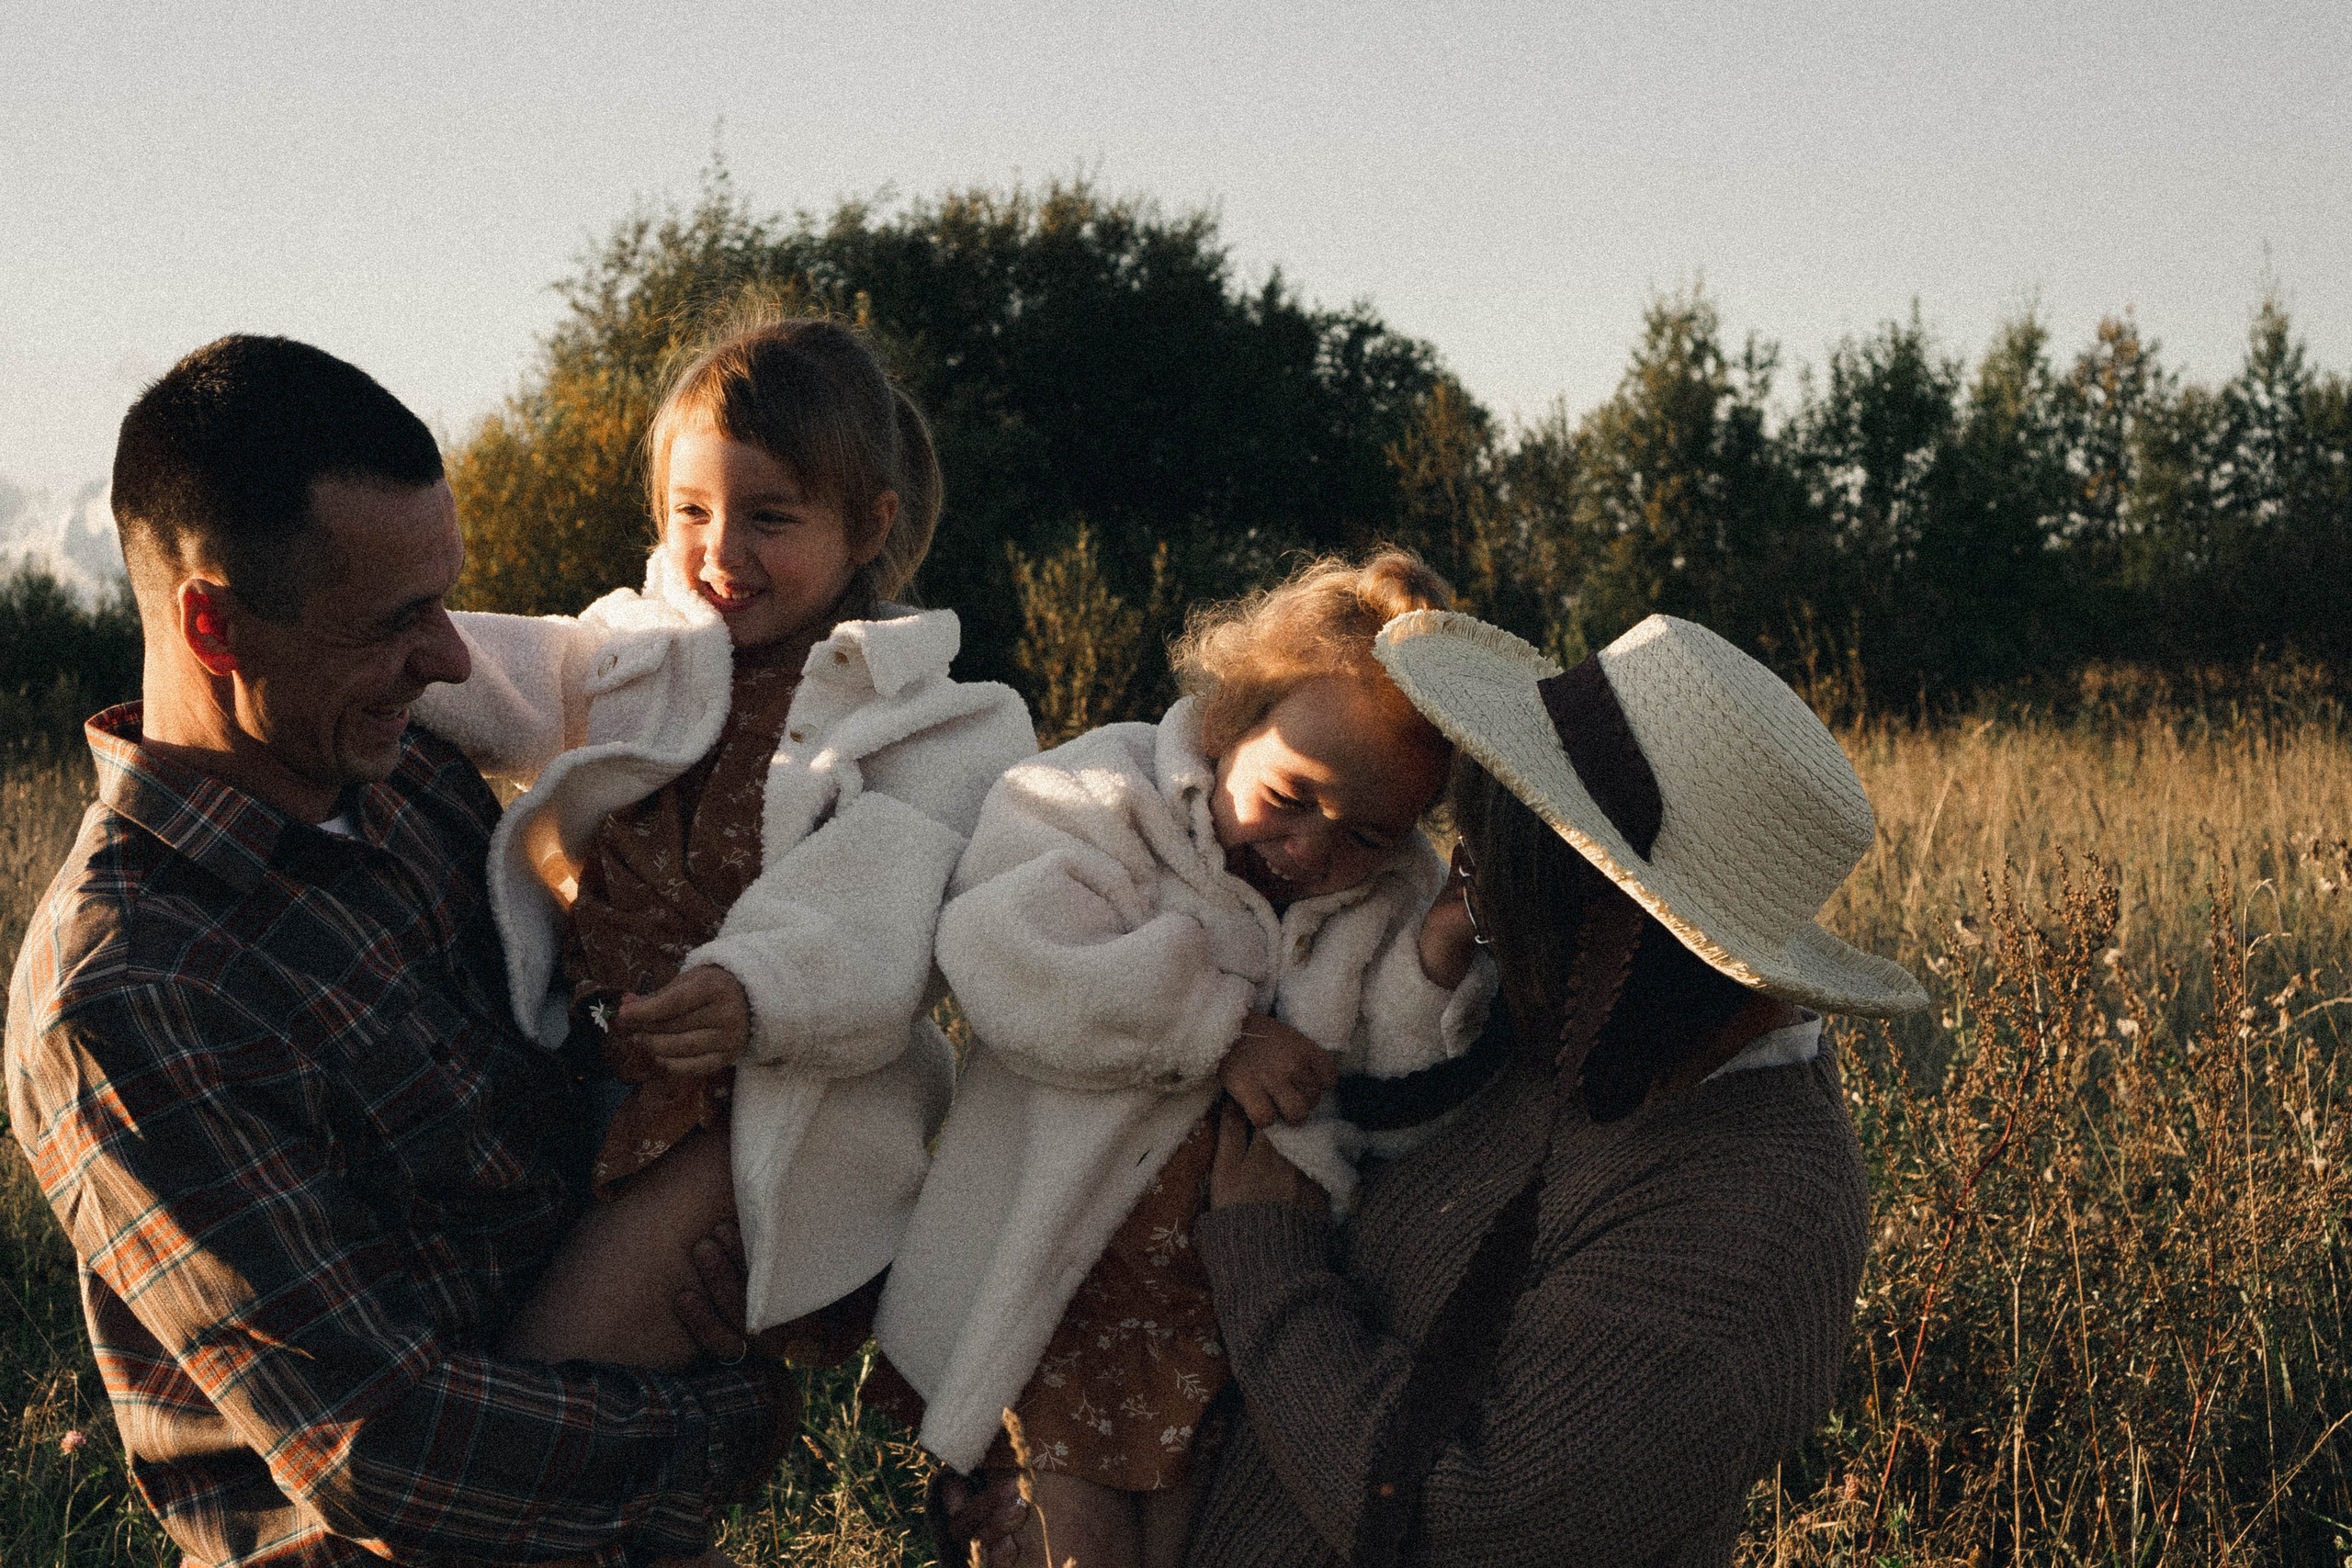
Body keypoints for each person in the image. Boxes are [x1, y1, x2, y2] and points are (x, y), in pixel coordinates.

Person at [5, 335, 794, 1568]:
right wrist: (727, 1415)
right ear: (214, 623)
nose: (451, 659)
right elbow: (385, 1444)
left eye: (446, 597)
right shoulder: (131, 990)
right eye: (396, 621)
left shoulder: (412, 776)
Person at [1182, 609, 1931, 1567]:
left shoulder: (1752, 1212)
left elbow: (1460, 1524)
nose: (1468, 913)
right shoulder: (1564, 1029)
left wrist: (1265, 1263)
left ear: (1624, 928)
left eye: (1504, 899)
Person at [408, 314, 1035, 1374]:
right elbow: (505, 667)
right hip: (585, 1070)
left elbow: (875, 904)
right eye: (690, 511)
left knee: (560, 1371)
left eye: (771, 518)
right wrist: (370, 646)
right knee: (563, 1394)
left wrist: (757, 990)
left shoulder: (935, 721)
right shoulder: (637, 654)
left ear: (870, 524)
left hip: (751, 1110)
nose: (721, 552)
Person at [878, 551, 1498, 1568]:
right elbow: (1005, 956)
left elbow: (1390, 1094)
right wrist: (1219, 1027)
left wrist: (1434, 962)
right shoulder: (1099, 793)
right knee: (1067, 1545)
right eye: (1292, 796)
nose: (1309, 850)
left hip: (1215, 1315)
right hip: (1059, 1286)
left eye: (1365, 836)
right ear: (1228, 722)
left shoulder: (1386, 898)